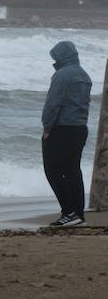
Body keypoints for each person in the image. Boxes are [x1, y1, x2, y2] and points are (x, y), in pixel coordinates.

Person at [42, 40, 91, 227]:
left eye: (55, 57)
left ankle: (68, 211)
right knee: (72, 170)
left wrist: (47, 128)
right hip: (80, 129)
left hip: (61, 129)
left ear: (61, 57)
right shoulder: (84, 75)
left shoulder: (61, 75)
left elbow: (53, 105)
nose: (54, 61)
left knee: (52, 170)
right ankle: (78, 214)